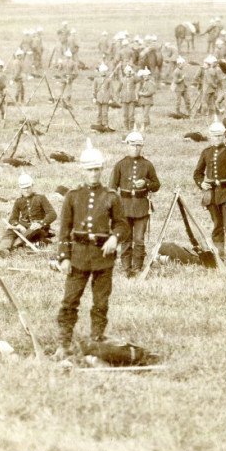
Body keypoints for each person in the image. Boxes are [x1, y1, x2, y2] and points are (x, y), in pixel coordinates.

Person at [54, 140, 127, 357]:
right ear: (82, 170)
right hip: (78, 257)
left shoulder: (112, 197)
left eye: (97, 169)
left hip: (103, 258)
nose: (94, 174)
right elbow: (64, 229)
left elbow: (122, 224)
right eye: (89, 170)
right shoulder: (73, 196)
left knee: (100, 303)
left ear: (102, 169)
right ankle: (63, 343)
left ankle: (96, 341)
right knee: (69, 301)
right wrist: (64, 257)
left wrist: (115, 238)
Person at [108, 130, 161, 277]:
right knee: (125, 239)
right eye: (133, 145)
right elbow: (111, 189)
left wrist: (146, 183)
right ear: (127, 146)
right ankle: (126, 268)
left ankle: (137, 267)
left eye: (139, 145)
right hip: (123, 207)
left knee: (139, 239)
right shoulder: (120, 165)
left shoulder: (147, 165)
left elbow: (157, 185)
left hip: (141, 207)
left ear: (142, 147)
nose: (136, 148)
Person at [193, 117, 226, 265]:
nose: (217, 138)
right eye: (214, 135)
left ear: (224, 136)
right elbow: (197, 173)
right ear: (210, 136)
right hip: (211, 195)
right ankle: (219, 256)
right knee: (217, 226)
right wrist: (201, 184)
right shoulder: (206, 152)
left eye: (220, 135)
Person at [0, 173, 57, 254]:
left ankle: (14, 247)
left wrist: (40, 223)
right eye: (23, 188)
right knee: (10, 231)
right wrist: (18, 226)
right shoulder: (18, 201)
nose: (26, 190)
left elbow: (52, 214)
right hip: (24, 226)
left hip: (39, 228)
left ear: (32, 186)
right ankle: (3, 249)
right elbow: (12, 219)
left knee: (33, 230)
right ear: (20, 188)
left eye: (28, 187)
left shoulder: (41, 198)